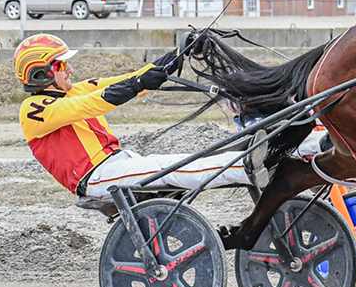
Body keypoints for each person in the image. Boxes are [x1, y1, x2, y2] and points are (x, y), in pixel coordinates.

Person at [15, 33, 269, 199]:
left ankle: (251, 162)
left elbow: (130, 79)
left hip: (118, 163)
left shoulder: (76, 89)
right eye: (60, 65)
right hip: (95, 177)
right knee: (173, 169)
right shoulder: (33, 110)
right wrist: (138, 82)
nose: (69, 69)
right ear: (40, 73)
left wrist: (180, 53)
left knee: (179, 163)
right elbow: (95, 104)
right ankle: (245, 166)